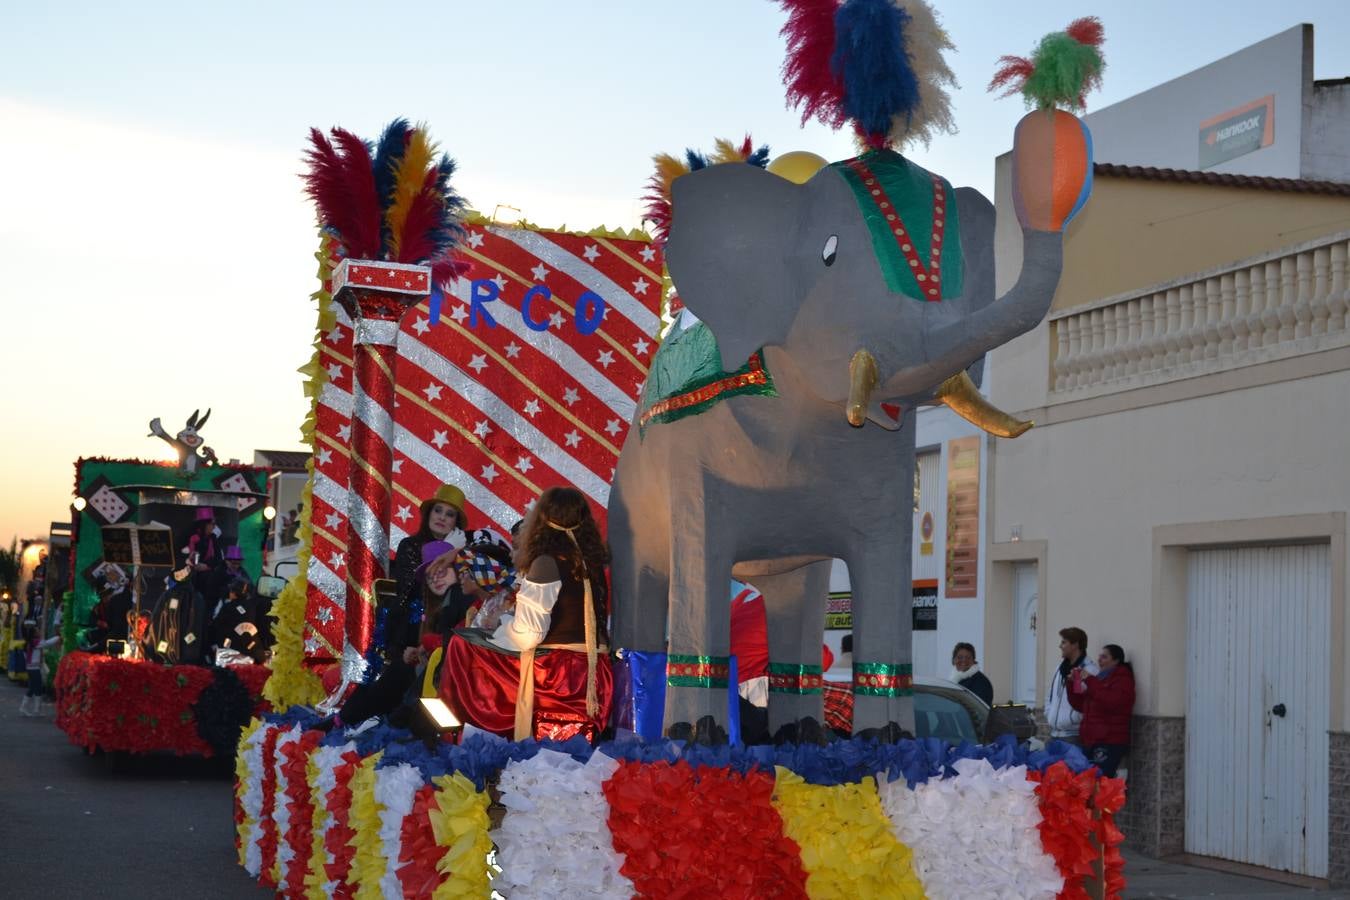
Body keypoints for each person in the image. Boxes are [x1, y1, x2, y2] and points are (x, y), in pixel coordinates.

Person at [440, 486, 613, 742]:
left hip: (558, 676)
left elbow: (528, 636)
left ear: (542, 521)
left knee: (461, 645)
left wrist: (498, 631)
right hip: (595, 674)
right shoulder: (591, 560)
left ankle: (462, 737)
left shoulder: (546, 562)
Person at [1069, 644, 1136, 778]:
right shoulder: (1101, 679)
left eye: (1104, 657)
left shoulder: (1123, 679)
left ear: (1116, 660)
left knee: (1101, 782)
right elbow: (1080, 705)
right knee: (1088, 781)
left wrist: (1089, 680)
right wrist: (1072, 684)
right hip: (1092, 740)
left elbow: (1110, 701)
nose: (1100, 660)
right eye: (1099, 656)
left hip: (1109, 741)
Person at [1045, 626, 1098, 745]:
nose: (1060, 646)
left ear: (1075, 645)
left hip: (1073, 736)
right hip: (1054, 734)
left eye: (1064, 642)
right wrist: (1049, 714)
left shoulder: (1088, 670)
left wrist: (1073, 719)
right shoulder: (1060, 668)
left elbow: (1083, 700)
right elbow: (1050, 695)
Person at [19, 621, 60, 716]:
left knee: (36, 688)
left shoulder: (29, 643)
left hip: (31, 668)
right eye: (37, 631)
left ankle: (36, 709)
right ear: (34, 634)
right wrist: (58, 637)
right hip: (34, 669)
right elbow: (48, 643)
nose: (39, 632)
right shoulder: (35, 643)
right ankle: (25, 707)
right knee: (34, 688)